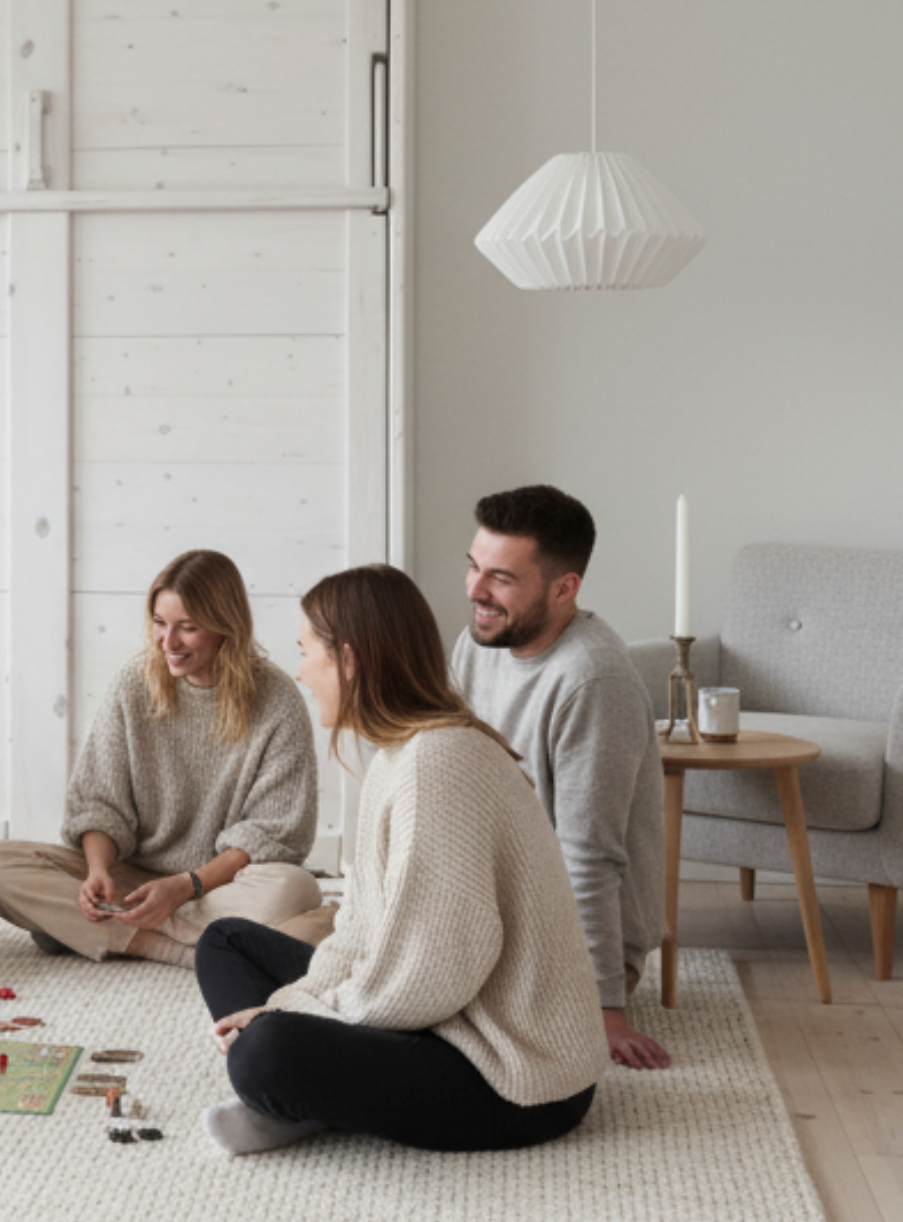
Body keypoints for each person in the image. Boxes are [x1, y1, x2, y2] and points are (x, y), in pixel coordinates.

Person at [197, 563, 609, 1155]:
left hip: (513, 1078)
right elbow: (360, 932)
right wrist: (294, 1003)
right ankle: (308, 1100)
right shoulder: (399, 755)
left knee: (266, 1053)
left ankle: (296, 1097)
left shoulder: (438, 762)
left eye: (306, 651)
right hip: (441, 1020)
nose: (300, 672)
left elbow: (434, 972)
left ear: (349, 658)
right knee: (226, 943)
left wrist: (285, 1020)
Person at [0, 549, 323, 966]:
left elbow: (273, 834)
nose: (168, 643)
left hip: (214, 886)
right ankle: (184, 949)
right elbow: (100, 803)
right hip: (132, 878)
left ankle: (99, 930)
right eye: (159, 623)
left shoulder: (277, 700)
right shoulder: (133, 684)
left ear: (225, 626)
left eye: (187, 628)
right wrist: (98, 871)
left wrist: (184, 886)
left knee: (295, 889)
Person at [448, 485, 671, 1071]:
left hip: (567, 935)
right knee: (331, 950)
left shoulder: (593, 681)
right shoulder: (481, 643)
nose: (475, 591)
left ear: (564, 587)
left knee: (425, 1003)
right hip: (498, 902)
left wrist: (604, 1008)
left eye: (501, 578)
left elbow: (590, 855)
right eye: (474, 567)